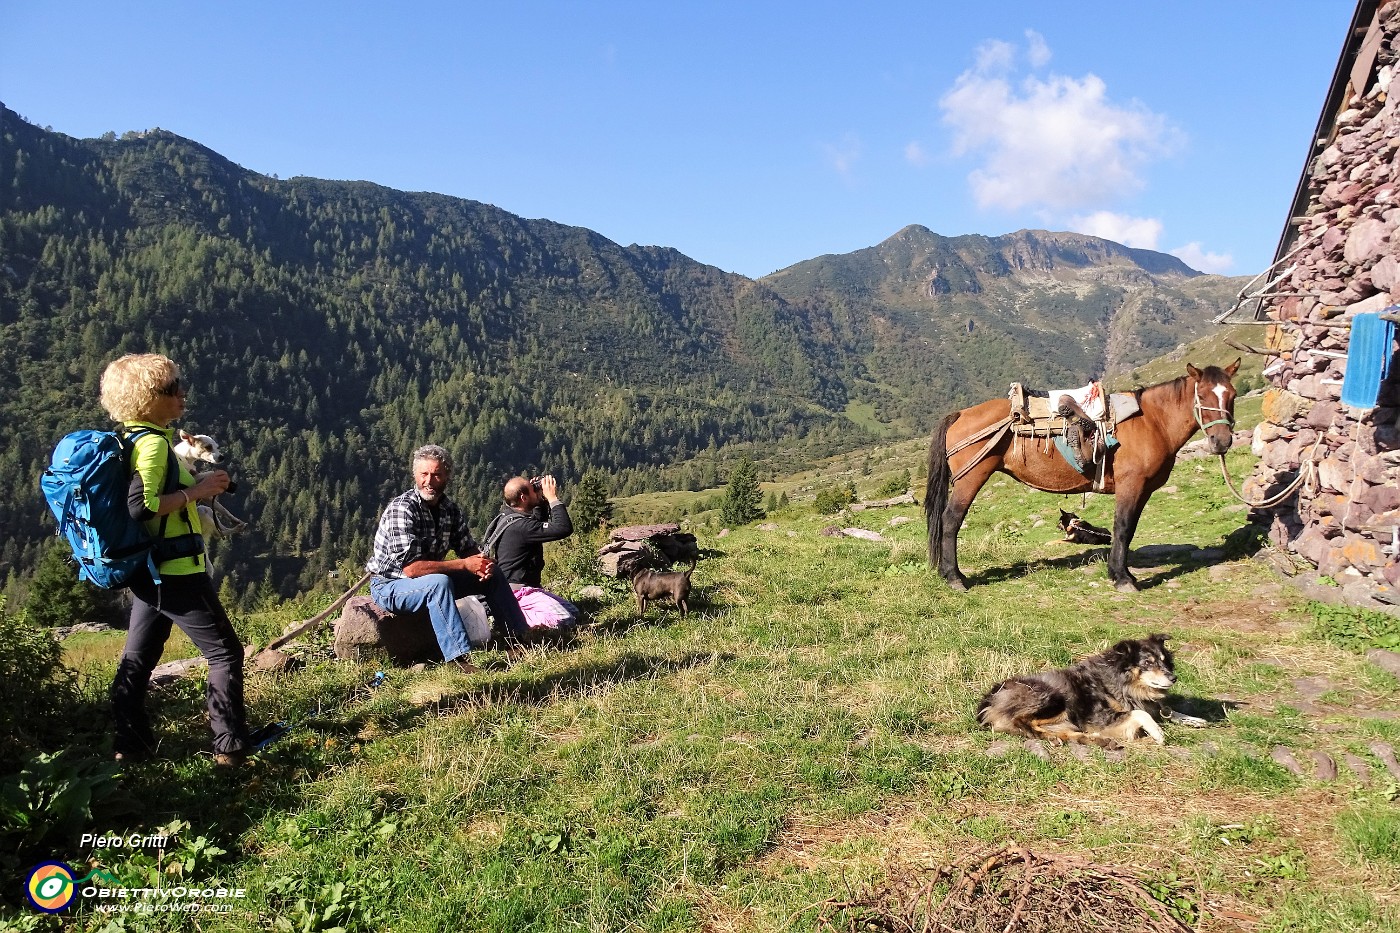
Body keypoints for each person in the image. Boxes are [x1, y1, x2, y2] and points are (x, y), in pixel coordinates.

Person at [101, 353, 261, 767]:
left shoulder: (134, 438)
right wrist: (196, 491)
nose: (182, 395)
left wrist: (206, 485)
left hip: (149, 571)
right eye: (172, 389)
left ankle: (129, 745)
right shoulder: (155, 445)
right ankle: (230, 748)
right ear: (146, 398)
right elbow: (143, 505)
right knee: (226, 654)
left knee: (138, 657)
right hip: (176, 571)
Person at [366, 445, 532, 671]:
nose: (429, 481)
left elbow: (467, 548)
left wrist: (481, 564)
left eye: (436, 475)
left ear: (446, 477)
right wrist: (465, 564)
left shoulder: (449, 509)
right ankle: (458, 660)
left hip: (429, 580)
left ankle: (517, 641)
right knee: (439, 583)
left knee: (493, 573)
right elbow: (411, 570)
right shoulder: (403, 509)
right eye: (424, 474)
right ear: (415, 475)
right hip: (391, 585)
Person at [486, 475, 574, 588]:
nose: (536, 489)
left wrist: (540, 500)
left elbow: (536, 524)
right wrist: (552, 498)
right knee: (566, 606)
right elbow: (563, 528)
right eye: (533, 489)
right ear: (523, 498)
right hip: (519, 591)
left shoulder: (509, 517)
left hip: (507, 586)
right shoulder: (522, 526)